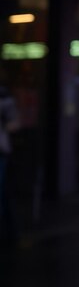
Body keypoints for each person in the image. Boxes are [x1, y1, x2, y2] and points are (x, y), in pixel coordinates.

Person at [0, 82, 19, 246]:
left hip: (2, 151)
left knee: (3, 192)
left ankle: (10, 233)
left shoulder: (5, 99)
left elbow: (14, 125)